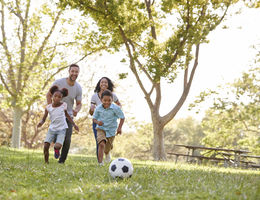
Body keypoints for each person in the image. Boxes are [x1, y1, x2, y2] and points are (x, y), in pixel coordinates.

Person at [46, 64, 82, 164]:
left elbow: (79, 104)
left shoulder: (78, 87)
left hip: (68, 115)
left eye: (76, 72)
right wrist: (51, 109)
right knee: (54, 136)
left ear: (78, 73)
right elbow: (48, 95)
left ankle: (62, 161)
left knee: (67, 139)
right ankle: (56, 147)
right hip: (56, 115)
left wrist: (76, 110)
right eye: (73, 71)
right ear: (69, 72)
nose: (74, 73)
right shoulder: (58, 83)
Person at [38, 86, 79, 164]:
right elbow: (44, 118)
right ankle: (46, 162)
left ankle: (56, 150)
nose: (57, 98)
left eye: (59, 97)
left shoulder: (63, 105)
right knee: (46, 145)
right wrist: (41, 123)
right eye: (55, 96)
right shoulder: (48, 107)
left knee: (58, 146)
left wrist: (74, 124)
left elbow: (67, 115)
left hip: (61, 129)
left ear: (61, 98)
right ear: (52, 96)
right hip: (52, 129)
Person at [89, 77, 121, 161]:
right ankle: (100, 161)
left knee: (108, 142)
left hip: (110, 123)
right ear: (99, 84)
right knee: (100, 141)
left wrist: (115, 110)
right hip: (98, 122)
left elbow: (119, 105)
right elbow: (91, 112)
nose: (103, 84)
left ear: (108, 84)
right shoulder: (94, 96)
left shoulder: (113, 95)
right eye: (102, 82)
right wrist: (91, 109)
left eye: (106, 82)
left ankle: (107, 152)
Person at [93, 89, 125, 166]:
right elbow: (94, 119)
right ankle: (100, 163)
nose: (107, 102)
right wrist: (98, 122)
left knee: (107, 149)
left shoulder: (116, 108)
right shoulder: (98, 108)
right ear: (101, 99)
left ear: (112, 100)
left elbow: (122, 117)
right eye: (105, 100)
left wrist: (119, 128)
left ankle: (107, 153)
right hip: (101, 129)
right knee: (101, 144)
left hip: (111, 130)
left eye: (109, 100)